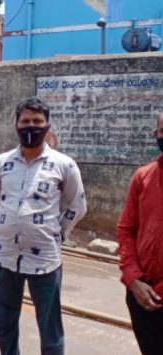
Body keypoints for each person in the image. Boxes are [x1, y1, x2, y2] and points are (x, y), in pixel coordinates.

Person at [0, 97, 86, 355]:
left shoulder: (64, 165)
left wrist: (57, 232)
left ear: (47, 126)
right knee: (4, 323)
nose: (30, 126)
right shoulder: (2, 163)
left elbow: (77, 206)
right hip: (5, 257)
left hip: (45, 259)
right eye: (25, 121)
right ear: (16, 125)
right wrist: (14, 224)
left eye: (37, 122)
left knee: (49, 328)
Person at [116, 113, 163, 355]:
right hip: (142, 294)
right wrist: (133, 279)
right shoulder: (143, 177)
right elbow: (126, 230)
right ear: (156, 135)